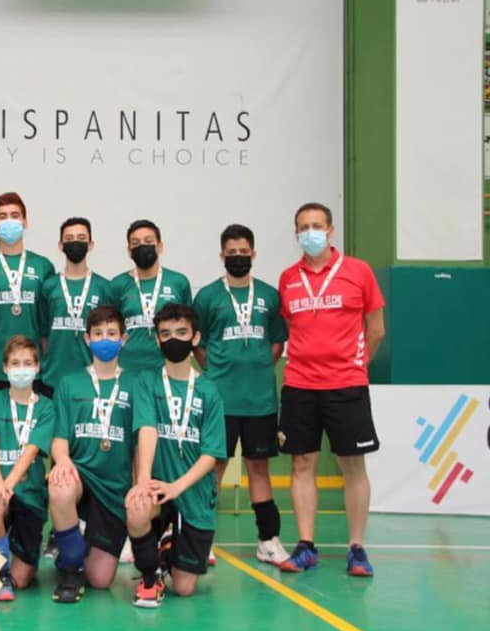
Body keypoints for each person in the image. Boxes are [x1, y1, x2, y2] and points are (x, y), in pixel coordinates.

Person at [277, 202, 385, 577]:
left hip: (347, 386)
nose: (310, 232)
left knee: (352, 465)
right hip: (299, 385)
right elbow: (293, 328)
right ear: (296, 234)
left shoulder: (359, 272)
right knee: (301, 463)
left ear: (331, 230)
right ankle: (306, 545)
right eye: (303, 226)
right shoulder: (288, 278)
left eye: (317, 225)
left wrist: (354, 365)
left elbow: (376, 329)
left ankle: (357, 547)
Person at [193, 224, 290, 566]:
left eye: (243, 252)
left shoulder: (268, 295)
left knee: (258, 468)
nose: (237, 257)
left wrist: (260, 364)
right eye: (231, 253)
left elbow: (277, 342)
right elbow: (199, 344)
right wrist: (220, 372)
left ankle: (268, 540)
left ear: (253, 254)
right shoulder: (207, 296)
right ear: (222, 256)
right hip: (221, 400)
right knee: (213, 469)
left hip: (260, 400)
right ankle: (201, 542)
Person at [126, 304, 227, 607]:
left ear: (195, 338)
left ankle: (170, 548)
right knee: (137, 507)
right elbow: (146, 429)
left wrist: (176, 488)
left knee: (184, 588)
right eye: (166, 334)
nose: (173, 339)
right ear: (157, 341)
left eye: (181, 333)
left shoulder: (209, 390)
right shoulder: (147, 381)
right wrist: (143, 481)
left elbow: (211, 455)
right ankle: (149, 576)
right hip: (157, 483)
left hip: (191, 491)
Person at [47, 306, 135, 603]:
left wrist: (137, 486)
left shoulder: (136, 385)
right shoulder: (70, 383)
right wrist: (63, 461)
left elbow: (140, 444)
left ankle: (78, 538)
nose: (105, 339)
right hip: (81, 475)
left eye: (111, 333)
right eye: (98, 334)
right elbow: (59, 439)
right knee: (59, 488)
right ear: (87, 339)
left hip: (114, 486)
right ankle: (70, 566)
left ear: (124, 338)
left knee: (100, 580)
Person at [0, 336, 55, 601]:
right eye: (14, 363)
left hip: (29, 493)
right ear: (4, 368)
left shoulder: (46, 407)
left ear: (37, 368)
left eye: (26, 363)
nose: (20, 368)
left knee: (22, 580)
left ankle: (9, 548)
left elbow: (32, 450)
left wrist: (8, 484)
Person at [0, 192, 54, 393]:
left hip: (32, 368)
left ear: (25, 222)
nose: (9, 221)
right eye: (2, 216)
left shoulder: (43, 266)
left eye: (15, 215)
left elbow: (46, 325)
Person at [38, 217, 112, 396]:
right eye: (69, 239)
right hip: (52, 378)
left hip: (91, 378)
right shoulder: (49, 286)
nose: (75, 243)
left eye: (81, 238)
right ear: (60, 245)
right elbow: (44, 334)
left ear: (91, 244)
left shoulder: (103, 286)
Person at [110, 220, 191, 374]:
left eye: (148, 241)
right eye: (136, 243)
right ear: (129, 250)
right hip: (127, 368)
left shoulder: (178, 282)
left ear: (159, 246)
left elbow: (189, 327)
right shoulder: (117, 284)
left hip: (166, 368)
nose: (142, 246)